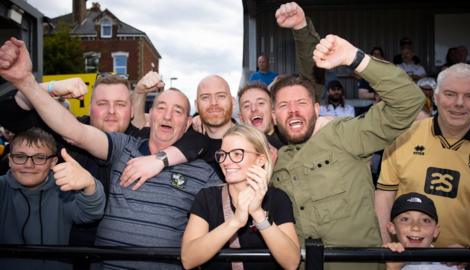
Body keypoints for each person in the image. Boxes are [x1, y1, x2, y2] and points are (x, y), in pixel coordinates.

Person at [0, 38, 222, 269]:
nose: (112, 112)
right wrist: (31, 82)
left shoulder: (194, 162)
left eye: (177, 112)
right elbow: (71, 131)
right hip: (73, 257)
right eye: (161, 108)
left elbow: (220, 160)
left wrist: (161, 160)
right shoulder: (122, 145)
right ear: (150, 115)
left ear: (188, 123)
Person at [275, 3, 424, 270]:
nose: (293, 110)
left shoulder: (344, 135)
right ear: (274, 117)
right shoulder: (269, 156)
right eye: (283, 106)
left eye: (301, 103)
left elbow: (408, 102)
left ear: (318, 108)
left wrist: (356, 59)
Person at [375, 63, 470, 249]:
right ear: (436, 97)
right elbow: (384, 197)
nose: (459, 103)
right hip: (408, 259)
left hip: (469, 259)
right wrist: (387, 249)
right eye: (450, 94)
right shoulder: (403, 137)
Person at [181, 124, 300, 270]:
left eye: (237, 154)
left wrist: (258, 215)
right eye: (223, 154)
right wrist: (235, 221)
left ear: (260, 160)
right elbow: (188, 259)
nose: (226, 161)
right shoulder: (207, 197)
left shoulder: (277, 198)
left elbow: (292, 263)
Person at [0, 127, 105, 269]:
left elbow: (91, 213)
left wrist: (90, 184)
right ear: (10, 160)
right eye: (20, 156)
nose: (29, 165)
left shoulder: (63, 191)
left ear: (53, 162)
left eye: (39, 158)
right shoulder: (2, 188)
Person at [383, 192, 456, 270]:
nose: (416, 227)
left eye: (425, 220)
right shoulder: (379, 261)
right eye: (405, 219)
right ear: (392, 228)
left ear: (435, 230)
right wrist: (393, 268)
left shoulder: (452, 264)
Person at [237, 83, 287, 149]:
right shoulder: (238, 149)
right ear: (241, 118)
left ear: (273, 111)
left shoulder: (291, 139)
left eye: (260, 103)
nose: (253, 109)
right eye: (247, 106)